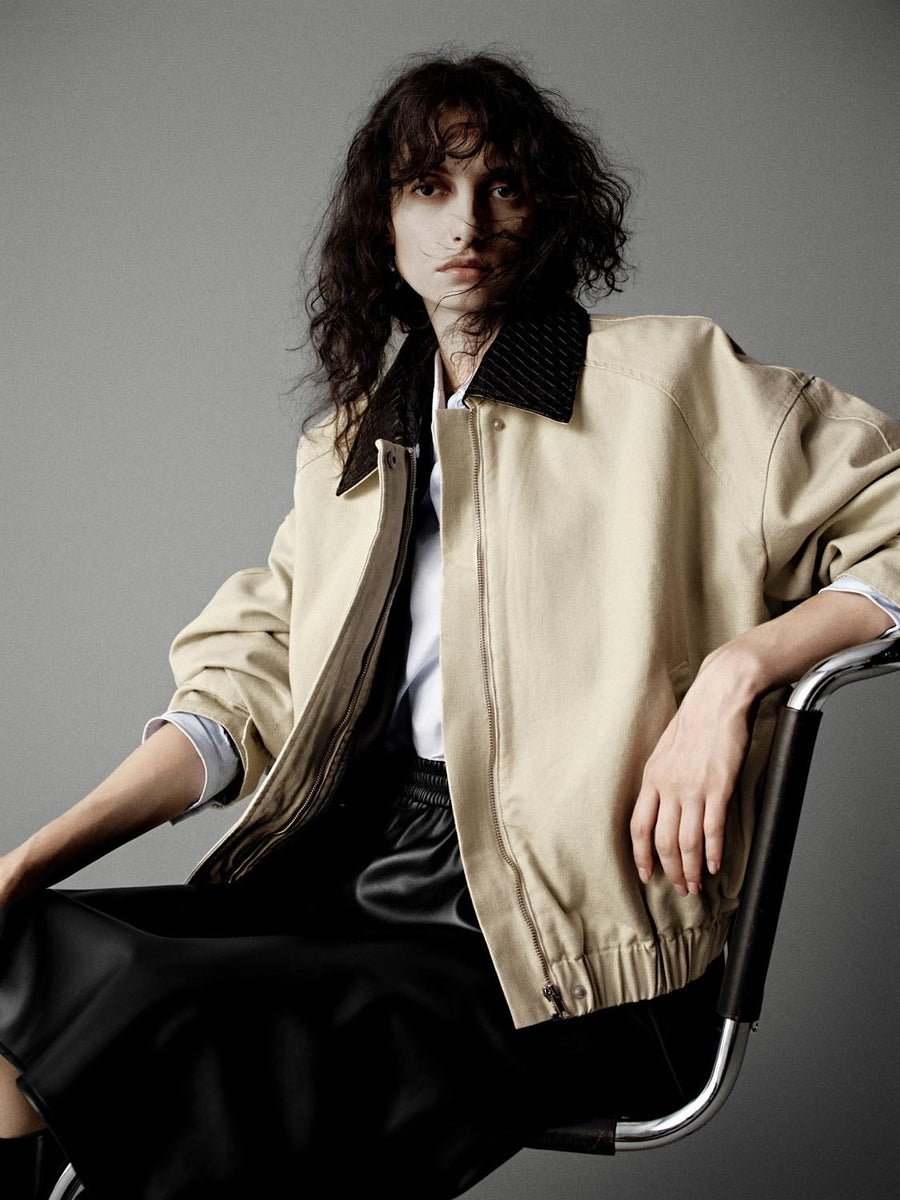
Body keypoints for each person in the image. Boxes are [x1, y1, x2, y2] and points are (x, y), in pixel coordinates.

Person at [2, 49, 899, 1200]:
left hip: (556, 936)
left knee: (162, 1017)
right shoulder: (352, 448)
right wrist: (27, 862)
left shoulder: (669, 386)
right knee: (25, 954)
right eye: (428, 187)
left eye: (501, 186)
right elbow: (240, 693)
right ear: (382, 227)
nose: (467, 222)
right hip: (346, 874)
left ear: (547, 211)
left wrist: (740, 671)